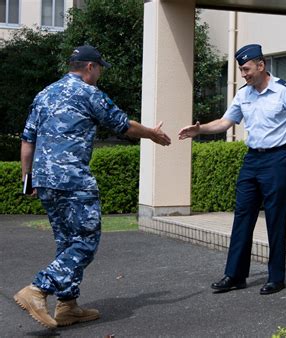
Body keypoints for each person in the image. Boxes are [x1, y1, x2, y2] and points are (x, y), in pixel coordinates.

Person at [15, 45, 171, 329]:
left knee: (66, 243)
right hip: (73, 179)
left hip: (45, 180)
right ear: (90, 67)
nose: (99, 74)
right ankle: (38, 290)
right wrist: (152, 134)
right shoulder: (88, 93)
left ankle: (68, 306)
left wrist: (28, 180)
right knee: (86, 241)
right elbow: (123, 125)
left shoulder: (44, 94)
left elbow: (27, 141)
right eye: (99, 69)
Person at [178, 44, 286, 295]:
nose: (244, 74)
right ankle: (235, 275)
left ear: (261, 66)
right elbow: (225, 122)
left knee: (275, 218)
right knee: (242, 216)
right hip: (252, 160)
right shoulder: (243, 94)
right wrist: (200, 130)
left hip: (278, 158)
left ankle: (276, 277)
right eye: (241, 69)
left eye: (246, 69)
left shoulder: (285, 91)